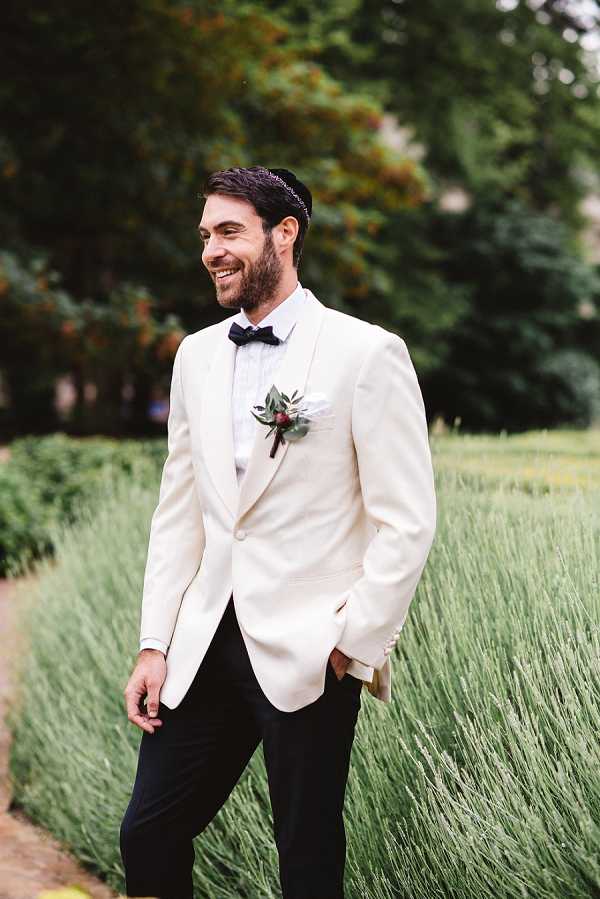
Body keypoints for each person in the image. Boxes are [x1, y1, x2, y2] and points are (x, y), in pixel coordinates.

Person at [119, 166, 436, 899]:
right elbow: (180, 511)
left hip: (311, 648)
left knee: (306, 850)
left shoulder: (366, 352)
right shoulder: (196, 355)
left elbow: (407, 518)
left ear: (284, 233)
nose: (212, 251)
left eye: (229, 231)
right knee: (148, 832)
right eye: (206, 235)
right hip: (204, 643)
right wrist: (154, 642)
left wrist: (351, 644)